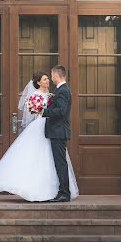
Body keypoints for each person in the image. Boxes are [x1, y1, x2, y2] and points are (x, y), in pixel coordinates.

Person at [0, 70, 79, 202]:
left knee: (56, 160)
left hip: (52, 128)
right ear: (38, 82)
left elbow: (59, 110)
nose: (49, 80)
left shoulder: (55, 93)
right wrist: (39, 110)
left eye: (49, 77)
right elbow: (36, 111)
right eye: (45, 79)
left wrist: (45, 110)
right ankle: (47, 190)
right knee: (43, 158)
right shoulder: (37, 95)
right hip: (42, 127)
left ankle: (60, 191)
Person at [42, 64, 72, 202]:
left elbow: (61, 111)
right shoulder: (60, 90)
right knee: (59, 163)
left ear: (56, 75)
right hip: (56, 132)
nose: (51, 78)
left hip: (59, 132)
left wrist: (44, 112)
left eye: (52, 75)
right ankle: (63, 191)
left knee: (60, 163)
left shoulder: (64, 91)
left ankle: (64, 193)